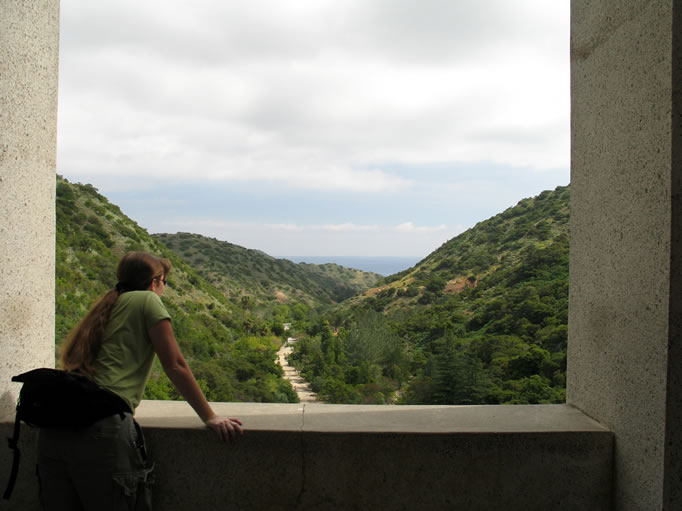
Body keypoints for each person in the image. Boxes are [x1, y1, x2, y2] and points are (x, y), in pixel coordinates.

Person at [37, 251, 242, 510]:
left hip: (57, 428)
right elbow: (175, 365)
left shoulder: (109, 302)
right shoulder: (148, 300)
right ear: (155, 281)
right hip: (101, 426)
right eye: (165, 283)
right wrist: (210, 417)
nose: (164, 289)